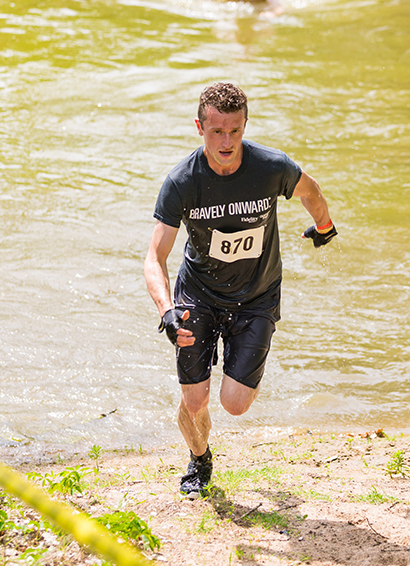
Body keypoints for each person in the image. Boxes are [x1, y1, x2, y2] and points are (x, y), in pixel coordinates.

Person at [144, 83, 337, 499]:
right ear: (200, 128)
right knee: (194, 402)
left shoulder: (271, 167)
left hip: (257, 296)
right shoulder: (182, 182)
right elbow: (154, 258)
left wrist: (324, 227)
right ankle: (200, 458)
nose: (226, 142)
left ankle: (240, 363)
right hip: (198, 296)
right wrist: (166, 310)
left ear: (246, 125)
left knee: (234, 403)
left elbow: (311, 191)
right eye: (217, 131)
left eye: (235, 130)